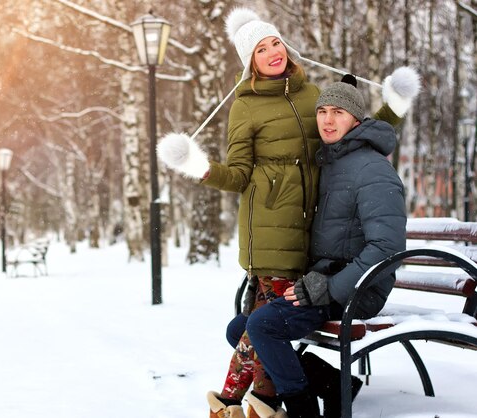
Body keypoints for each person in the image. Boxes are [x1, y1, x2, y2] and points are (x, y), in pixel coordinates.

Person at [157, 7, 418, 418]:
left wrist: (394, 107)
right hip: (276, 231)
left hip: (319, 252)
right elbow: (241, 172)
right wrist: (200, 168)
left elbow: (354, 124)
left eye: (275, 41)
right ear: (250, 62)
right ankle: (280, 396)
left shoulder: (314, 97)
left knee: (256, 328)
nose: (273, 52)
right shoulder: (246, 106)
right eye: (261, 49)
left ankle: (278, 401)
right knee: (251, 328)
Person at [245, 75, 408, 418]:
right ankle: (334, 384)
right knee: (242, 328)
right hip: (326, 281)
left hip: (359, 290)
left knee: (262, 327)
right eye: (322, 111)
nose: (328, 120)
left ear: (356, 120)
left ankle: (303, 411)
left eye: (338, 112)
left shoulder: (372, 170)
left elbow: (387, 248)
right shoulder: (331, 162)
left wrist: (329, 286)